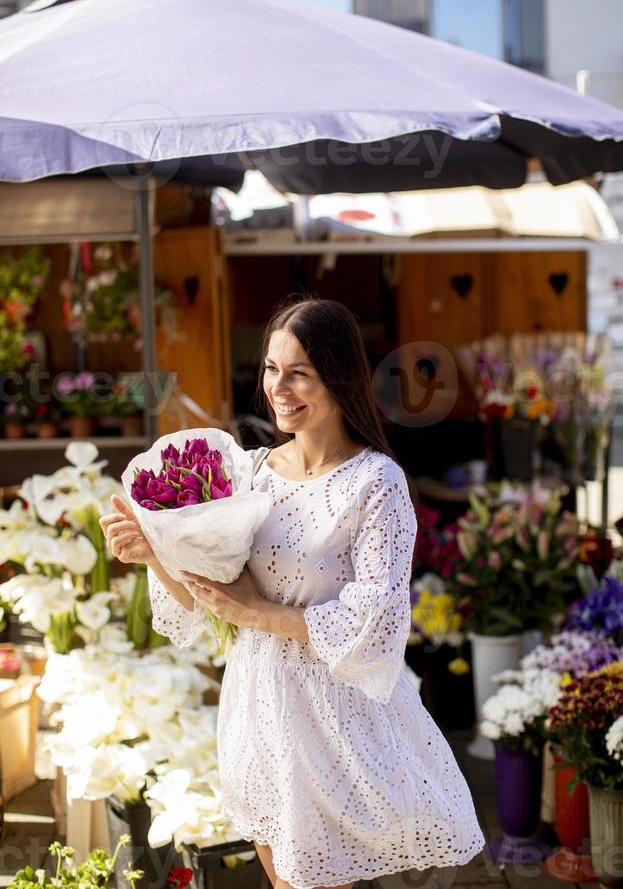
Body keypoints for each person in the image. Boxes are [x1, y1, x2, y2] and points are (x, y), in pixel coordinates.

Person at [100, 296, 485, 889]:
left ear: (340, 376)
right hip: (260, 707)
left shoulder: (376, 481)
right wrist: (156, 550)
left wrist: (260, 612)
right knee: (283, 880)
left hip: (338, 718)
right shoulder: (250, 473)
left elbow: (377, 617)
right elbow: (206, 604)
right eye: (272, 369)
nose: (280, 387)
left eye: (300, 372)